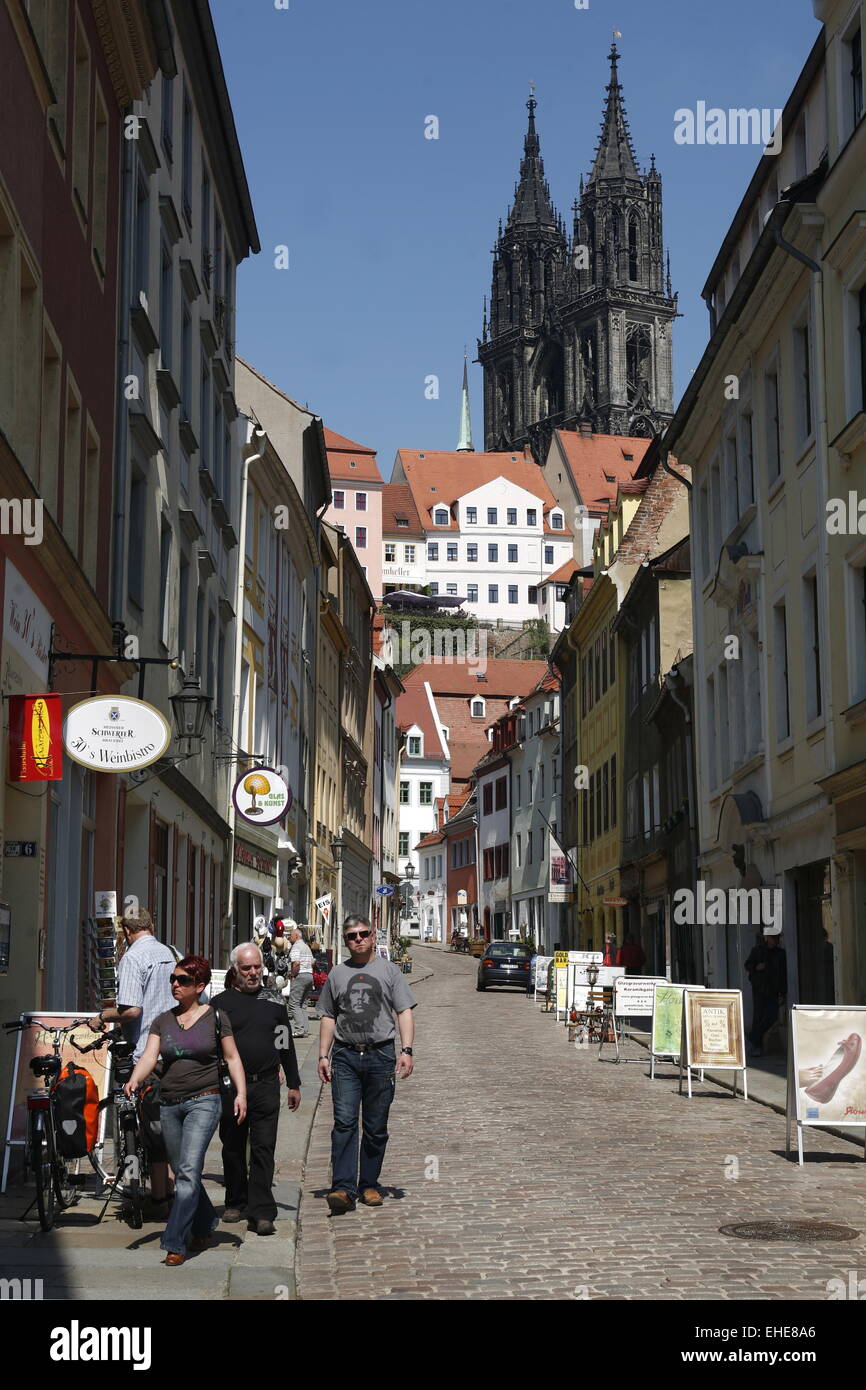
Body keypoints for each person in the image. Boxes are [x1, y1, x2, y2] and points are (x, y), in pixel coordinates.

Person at [126, 955, 246, 1267]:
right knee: (182, 1172)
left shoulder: (216, 1017)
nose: (175, 984)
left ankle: (175, 1241)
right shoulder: (163, 1020)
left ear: (200, 986)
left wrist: (241, 1094)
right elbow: (151, 1056)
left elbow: (232, 1058)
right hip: (169, 1102)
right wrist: (135, 1079)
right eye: (174, 979)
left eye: (183, 980)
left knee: (189, 1170)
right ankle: (205, 1222)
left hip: (205, 1100)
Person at [317, 914, 416, 1213]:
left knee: (375, 1125)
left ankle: (369, 1184)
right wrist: (323, 1054)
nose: (358, 939)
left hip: (381, 1054)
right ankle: (343, 1188)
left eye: (362, 934)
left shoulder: (390, 971)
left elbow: (404, 1012)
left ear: (372, 936)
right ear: (346, 940)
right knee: (344, 1123)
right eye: (351, 936)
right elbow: (328, 1015)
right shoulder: (337, 974)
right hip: (346, 1055)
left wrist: (407, 1049)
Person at [211, 943, 301, 1235]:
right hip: (230, 1086)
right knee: (233, 1146)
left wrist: (294, 1082)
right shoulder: (220, 1004)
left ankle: (262, 1211)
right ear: (235, 970)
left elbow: (284, 1044)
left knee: (264, 1148)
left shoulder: (274, 1002)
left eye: (257, 967)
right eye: (246, 968)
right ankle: (236, 1201)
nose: (253, 973)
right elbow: (212, 1048)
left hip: (265, 1085)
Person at [97, 907, 176, 1208]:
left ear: (127, 932)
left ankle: (158, 1198)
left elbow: (131, 1010)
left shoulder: (132, 957)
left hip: (146, 1050)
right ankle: (169, 1189)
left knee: (151, 1125)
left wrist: (102, 1016)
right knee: (168, 1122)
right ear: (150, 925)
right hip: (171, 1046)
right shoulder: (167, 953)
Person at [744, 929, 787, 1057]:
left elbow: (783, 974)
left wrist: (783, 992)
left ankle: (751, 1038)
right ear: (767, 938)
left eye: (777, 939)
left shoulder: (780, 953)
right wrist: (756, 967)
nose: (775, 941)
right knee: (758, 1017)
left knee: (772, 1015)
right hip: (759, 988)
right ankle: (757, 1047)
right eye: (773, 938)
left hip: (773, 989)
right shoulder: (757, 951)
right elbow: (747, 965)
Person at [287, 925, 315, 1038]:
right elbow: (313, 962)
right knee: (303, 1004)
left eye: (291, 935)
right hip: (309, 975)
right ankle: (305, 1029)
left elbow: (296, 963)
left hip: (300, 975)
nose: (289, 937)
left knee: (293, 1003)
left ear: (297, 936)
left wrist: (293, 975)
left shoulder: (296, 947)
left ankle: (299, 1029)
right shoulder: (306, 947)